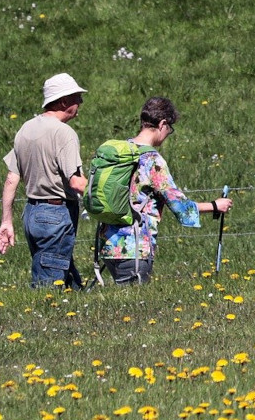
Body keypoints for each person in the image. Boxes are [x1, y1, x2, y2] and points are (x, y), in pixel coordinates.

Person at [96, 97, 232, 284]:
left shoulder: (121, 153)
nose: (168, 134)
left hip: (108, 244)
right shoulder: (152, 159)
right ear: (162, 124)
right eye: (170, 129)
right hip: (135, 246)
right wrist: (215, 205)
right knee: (135, 309)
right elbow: (179, 206)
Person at [0, 73, 88, 288]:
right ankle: (44, 314)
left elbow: (11, 178)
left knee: (62, 274)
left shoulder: (25, 129)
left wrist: (6, 221)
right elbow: (75, 182)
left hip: (32, 214)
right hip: (56, 213)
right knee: (48, 285)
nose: (80, 103)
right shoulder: (64, 133)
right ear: (64, 101)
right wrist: (108, 194)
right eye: (77, 97)